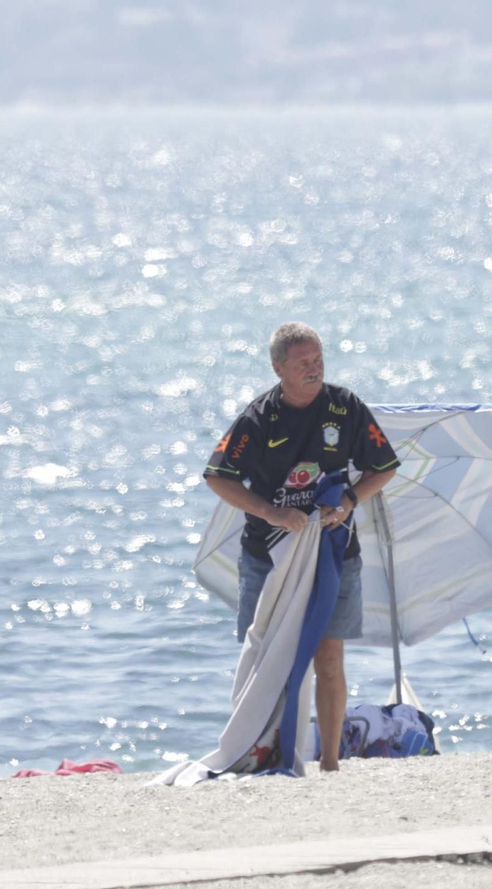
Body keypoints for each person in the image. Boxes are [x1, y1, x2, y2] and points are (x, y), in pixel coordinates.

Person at [203, 321, 399, 772]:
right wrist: (273, 514)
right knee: (265, 659)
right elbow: (218, 477)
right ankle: (258, 754)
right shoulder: (259, 418)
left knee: (328, 657)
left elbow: (383, 467)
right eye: (303, 363)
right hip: (268, 555)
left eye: (318, 359)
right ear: (279, 369)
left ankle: (329, 762)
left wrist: (350, 500)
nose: (315, 369)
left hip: (333, 550)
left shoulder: (345, 406)